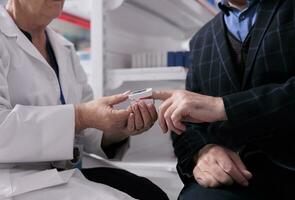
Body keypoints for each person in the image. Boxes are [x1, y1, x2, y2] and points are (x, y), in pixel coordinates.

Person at [0, 0, 169, 199]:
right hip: (16, 179)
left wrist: (116, 130)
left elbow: (87, 134)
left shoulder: (64, 48)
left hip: (64, 171)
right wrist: (80, 117)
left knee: (152, 194)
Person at [152, 0, 295, 199]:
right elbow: (186, 125)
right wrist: (202, 150)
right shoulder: (201, 41)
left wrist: (223, 107)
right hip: (232, 179)